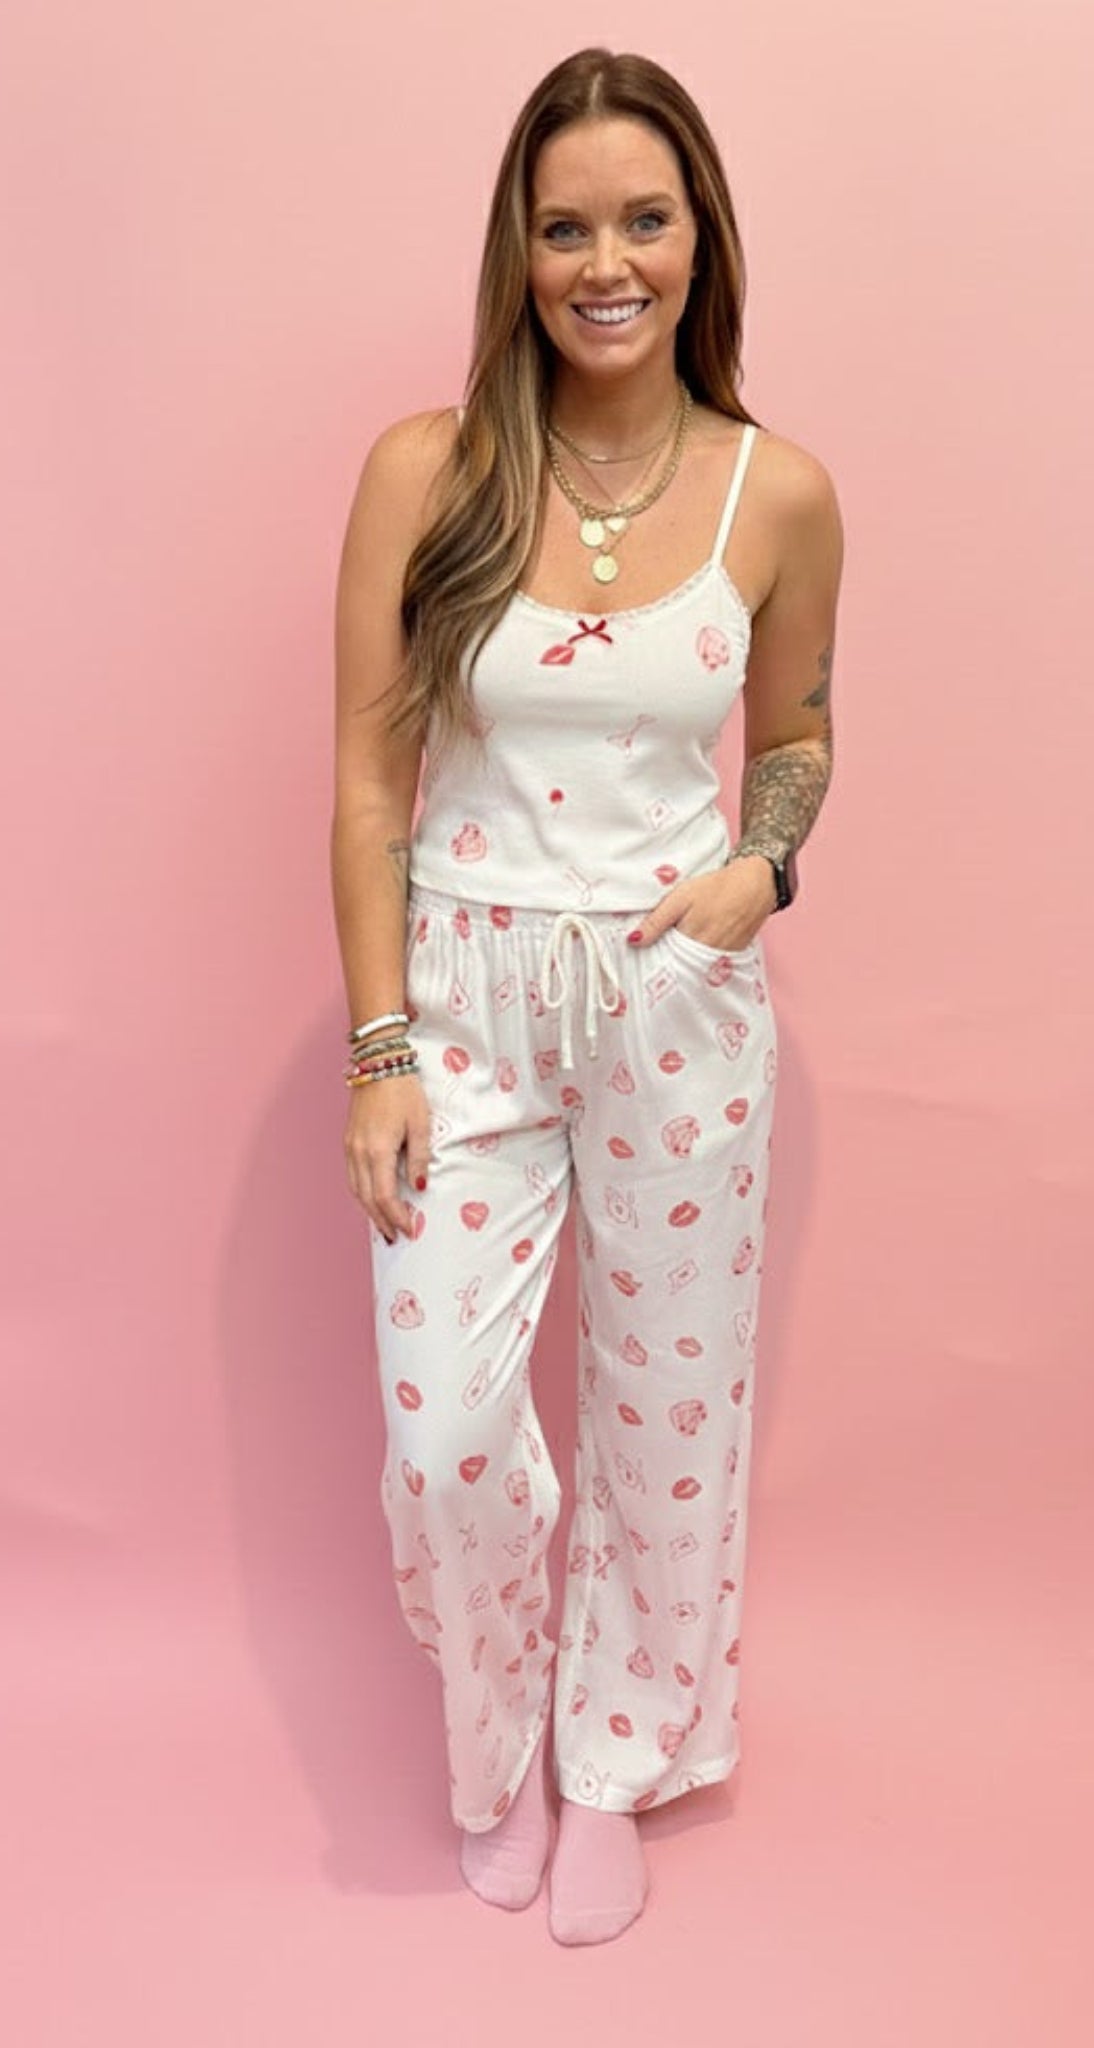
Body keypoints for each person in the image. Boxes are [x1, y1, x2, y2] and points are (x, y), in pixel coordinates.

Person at [330, 46, 842, 1946]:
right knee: (444, 1423)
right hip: (458, 990)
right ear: (517, 247)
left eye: (643, 219)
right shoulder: (429, 469)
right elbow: (370, 784)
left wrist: (756, 869)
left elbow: (792, 732)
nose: (603, 261)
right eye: (566, 226)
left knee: (670, 1404)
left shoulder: (772, 492)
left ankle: (615, 1754)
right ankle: (496, 1749)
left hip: (672, 996)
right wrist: (381, 1046)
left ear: (698, 238)